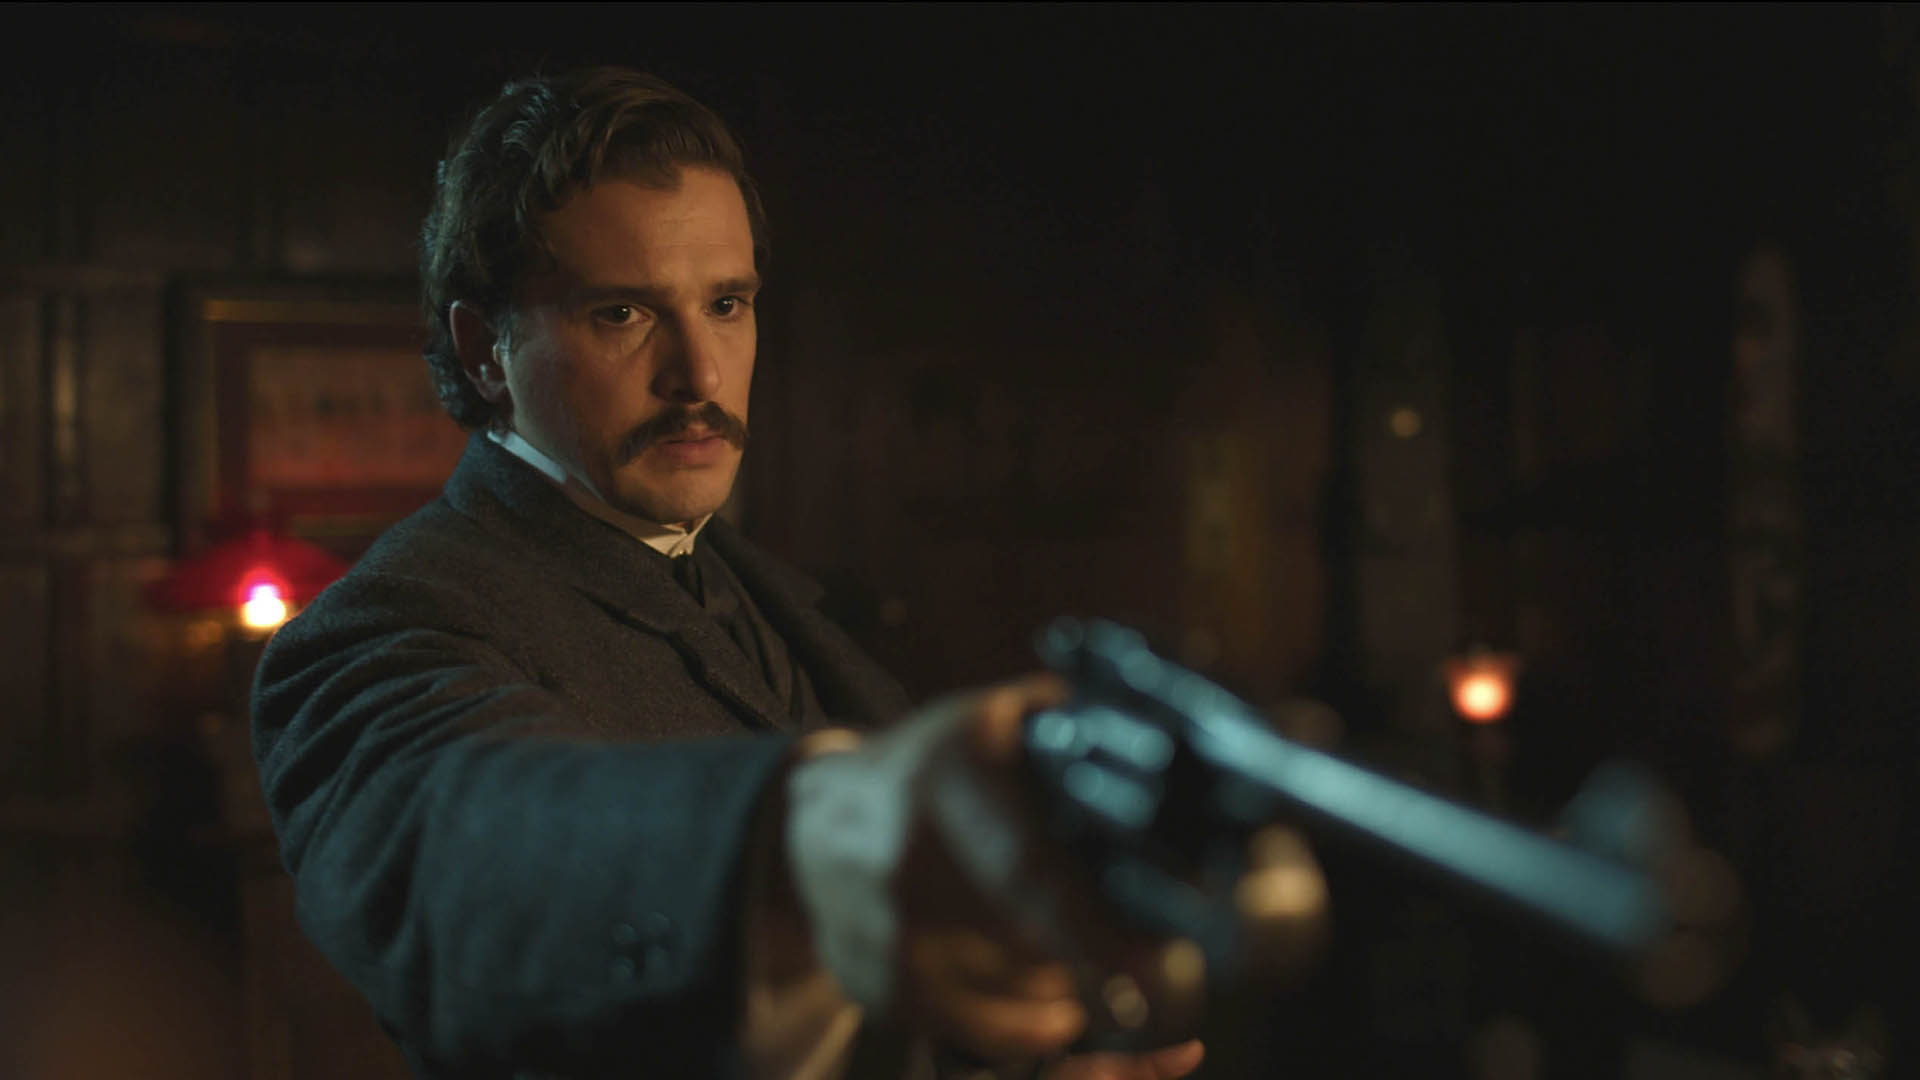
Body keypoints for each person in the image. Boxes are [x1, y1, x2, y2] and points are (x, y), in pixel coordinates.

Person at [251, 68, 1222, 1079]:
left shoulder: (757, 587)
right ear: (484, 350)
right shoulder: (376, 632)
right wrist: (823, 829)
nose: (701, 375)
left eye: (726, 303)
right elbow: (480, 855)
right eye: (622, 314)